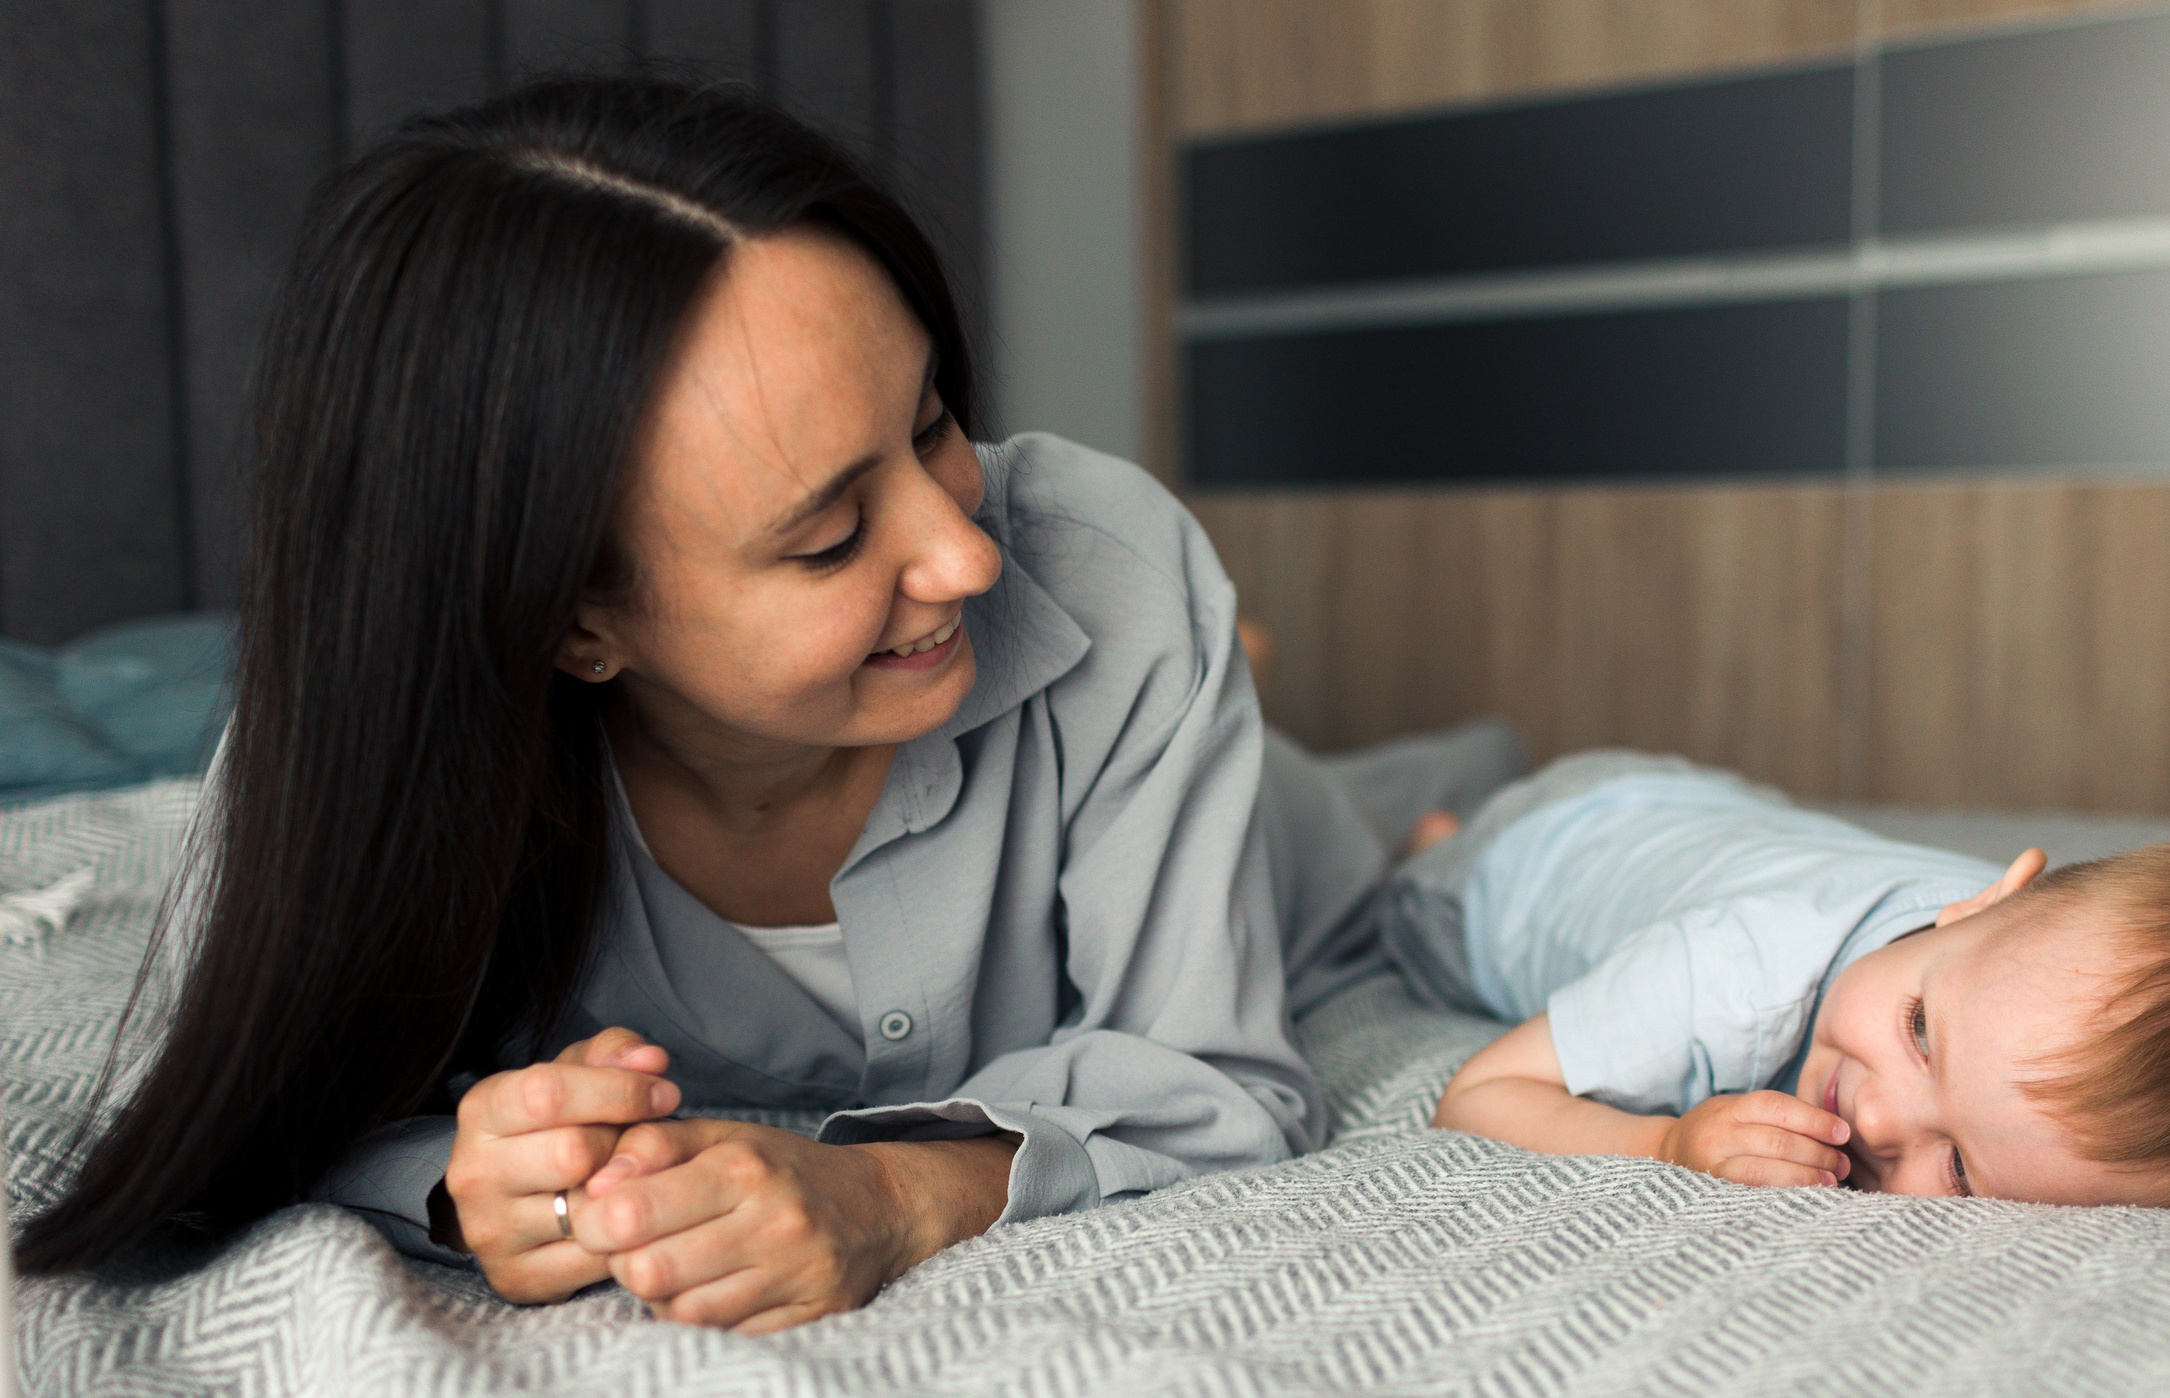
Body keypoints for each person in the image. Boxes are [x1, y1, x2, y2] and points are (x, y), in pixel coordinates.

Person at [17, 75, 1475, 1333]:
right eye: (828, 537)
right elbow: (241, 1110)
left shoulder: (1099, 564)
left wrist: (897, 1190)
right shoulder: (356, 755)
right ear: (573, 622)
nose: (965, 554)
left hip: (1296, 850)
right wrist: (461, 1180)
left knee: (1403, 845)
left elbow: (1217, 1079)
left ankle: (1378, 792)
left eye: (933, 426)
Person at [1380, 754, 2170, 1208]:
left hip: (1713, 814)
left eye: (1958, 1169)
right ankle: (1436, 833)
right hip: (1538, 856)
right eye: (1920, 1033)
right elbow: (1477, 1096)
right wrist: (1662, 1143)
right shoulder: (1734, 971)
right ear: (1983, 902)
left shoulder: (1999, 954)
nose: (1875, 1119)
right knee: (1410, 897)